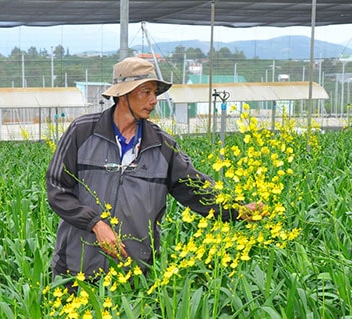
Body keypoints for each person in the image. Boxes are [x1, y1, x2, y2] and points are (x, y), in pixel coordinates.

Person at [46, 56, 259, 284]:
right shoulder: (82, 132)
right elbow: (57, 189)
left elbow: (196, 190)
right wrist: (95, 224)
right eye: (145, 92)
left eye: (155, 93)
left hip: (134, 274)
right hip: (75, 269)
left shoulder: (162, 145)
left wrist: (238, 210)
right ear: (123, 94)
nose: (154, 100)